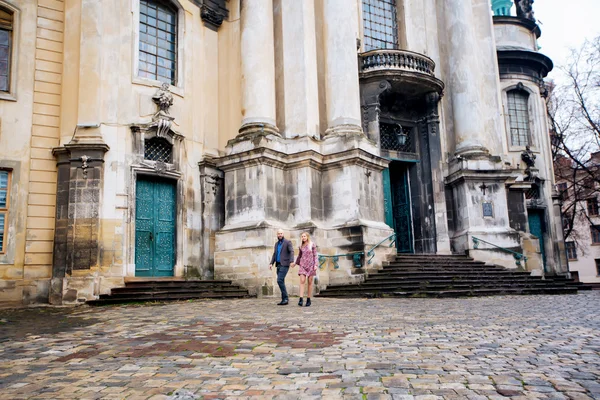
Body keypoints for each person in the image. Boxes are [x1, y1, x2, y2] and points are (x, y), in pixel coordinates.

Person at [269, 229, 294, 305]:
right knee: (281, 281)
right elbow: (274, 254)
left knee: (279, 280)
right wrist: (271, 263)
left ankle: (286, 298)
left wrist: (291, 261)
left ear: (283, 234)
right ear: (277, 235)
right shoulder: (276, 244)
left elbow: (291, 251)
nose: (280, 235)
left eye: (281, 233)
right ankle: (284, 300)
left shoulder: (287, 242)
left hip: (285, 264)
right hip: (278, 264)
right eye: (278, 234)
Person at [295, 232, 318, 307]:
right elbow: (299, 256)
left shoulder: (312, 244)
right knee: (302, 281)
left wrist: (315, 265)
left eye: (304, 236)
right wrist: (295, 263)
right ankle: (301, 299)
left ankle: (308, 299)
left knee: (310, 282)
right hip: (303, 265)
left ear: (307, 237)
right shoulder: (300, 246)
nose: (303, 237)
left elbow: (315, 255)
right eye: (302, 236)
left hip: (311, 265)